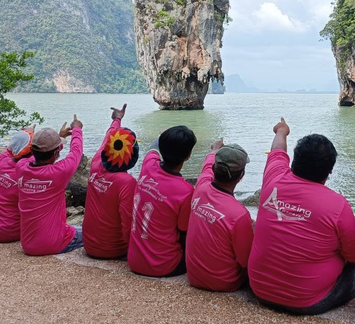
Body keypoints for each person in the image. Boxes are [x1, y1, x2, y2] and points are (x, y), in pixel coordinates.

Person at [248, 118, 355, 315]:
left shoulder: (273, 180)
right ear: (329, 171)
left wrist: (281, 131)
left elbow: (277, 151)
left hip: (259, 289)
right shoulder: (337, 205)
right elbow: (354, 256)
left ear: (294, 161)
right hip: (307, 301)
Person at [127, 125, 197, 277]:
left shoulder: (148, 165)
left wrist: (162, 136)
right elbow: (184, 233)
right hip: (164, 266)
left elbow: (153, 148)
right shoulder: (185, 191)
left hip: (134, 260)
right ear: (188, 155)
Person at [186, 138, 254, 292]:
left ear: (214, 168)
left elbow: (206, 168)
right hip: (225, 282)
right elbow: (245, 261)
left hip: (193, 276)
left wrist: (214, 150)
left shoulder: (201, 187)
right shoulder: (239, 214)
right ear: (241, 175)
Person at [17, 115, 84, 256]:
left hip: (28, 244)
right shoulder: (58, 172)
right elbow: (76, 151)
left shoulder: (21, 167)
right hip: (54, 243)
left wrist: (60, 139)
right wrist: (77, 129)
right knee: (93, 232)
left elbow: (34, 157)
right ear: (55, 154)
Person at [82, 104, 139, 259]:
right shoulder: (126, 182)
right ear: (132, 157)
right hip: (113, 250)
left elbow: (109, 137)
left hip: (89, 244)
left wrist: (116, 120)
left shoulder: (96, 163)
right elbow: (127, 222)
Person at [0, 128, 35, 242]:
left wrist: (25, 133)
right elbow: (44, 157)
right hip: (9, 231)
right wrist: (59, 140)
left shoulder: (0, 161)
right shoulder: (27, 173)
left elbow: (11, 149)